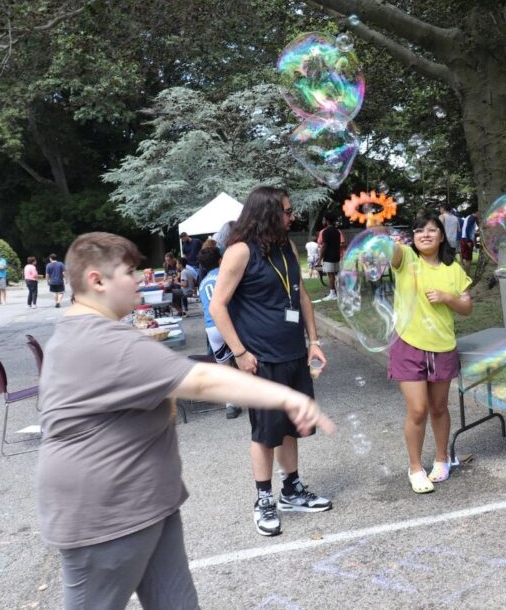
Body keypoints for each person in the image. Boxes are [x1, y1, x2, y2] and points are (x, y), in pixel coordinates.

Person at [36, 231, 334, 609]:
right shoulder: (103, 342)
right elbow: (204, 381)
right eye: (130, 272)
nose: (142, 279)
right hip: (104, 517)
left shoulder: (88, 331)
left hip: (149, 505)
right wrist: (286, 397)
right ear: (97, 280)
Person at [210, 186, 332, 537]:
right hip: (260, 359)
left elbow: (302, 296)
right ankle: (264, 499)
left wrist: (314, 342)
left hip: (294, 352)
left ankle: (292, 490)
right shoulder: (239, 252)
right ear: (266, 213)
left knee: (292, 425)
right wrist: (240, 353)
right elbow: (218, 306)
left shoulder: (287, 247)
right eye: (287, 211)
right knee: (265, 433)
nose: (292, 216)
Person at [386, 213, 473, 494]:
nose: (425, 234)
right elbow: (390, 248)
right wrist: (376, 223)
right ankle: (415, 468)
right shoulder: (407, 261)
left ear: (441, 236)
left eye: (432, 230)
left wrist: (448, 298)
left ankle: (441, 458)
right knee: (418, 409)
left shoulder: (453, 269)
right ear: (413, 237)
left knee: (438, 407)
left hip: (442, 345)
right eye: (419, 230)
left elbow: (466, 307)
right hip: (408, 344)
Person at [198, 246, 242, 419]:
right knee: (243, 358)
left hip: (211, 328)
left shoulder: (202, 283)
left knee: (224, 366)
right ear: (220, 260)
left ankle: (230, 405)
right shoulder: (225, 275)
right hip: (228, 323)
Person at [317, 215, 344, 300]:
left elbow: (324, 245)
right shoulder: (337, 231)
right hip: (337, 256)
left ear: (327, 221)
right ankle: (339, 292)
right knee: (336, 274)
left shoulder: (326, 231)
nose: (322, 222)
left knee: (330, 275)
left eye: (323, 220)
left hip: (329, 256)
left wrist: (319, 258)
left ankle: (332, 293)